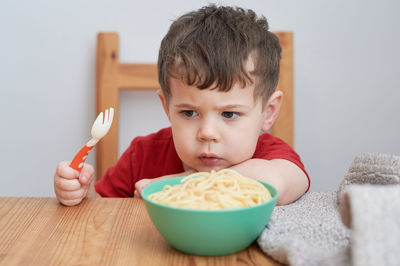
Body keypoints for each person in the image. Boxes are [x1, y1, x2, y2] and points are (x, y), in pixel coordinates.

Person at [54, 4, 310, 207]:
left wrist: (175, 186)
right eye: (189, 112)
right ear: (167, 107)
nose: (207, 132)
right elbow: (102, 212)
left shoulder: (270, 153)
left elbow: (279, 181)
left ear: (269, 112)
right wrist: (77, 194)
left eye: (230, 114)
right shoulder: (142, 155)